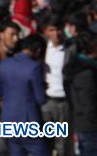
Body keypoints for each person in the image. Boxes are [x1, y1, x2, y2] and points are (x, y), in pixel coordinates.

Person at [0, 34, 49, 156]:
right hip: (28, 121)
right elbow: (40, 99)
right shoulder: (34, 67)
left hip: (8, 120)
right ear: (39, 50)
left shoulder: (4, 64)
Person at [42, 14, 74, 156]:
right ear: (46, 31)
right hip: (47, 101)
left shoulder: (71, 49)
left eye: (58, 29)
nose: (56, 34)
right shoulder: (42, 49)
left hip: (64, 102)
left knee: (64, 144)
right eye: (52, 30)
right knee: (46, 141)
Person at [65, 30, 96, 156]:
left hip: (80, 122)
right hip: (91, 127)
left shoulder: (73, 67)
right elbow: (89, 104)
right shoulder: (86, 74)